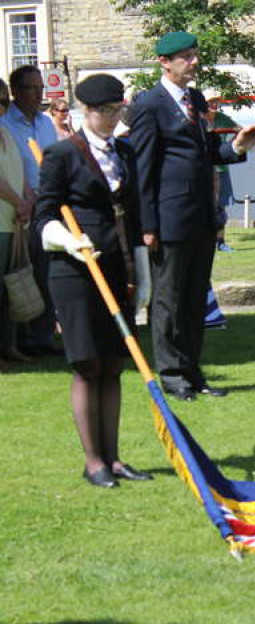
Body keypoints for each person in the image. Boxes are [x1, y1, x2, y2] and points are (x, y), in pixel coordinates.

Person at [34, 74, 153, 488]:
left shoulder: (125, 150)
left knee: (114, 364)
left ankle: (115, 459)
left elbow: (134, 213)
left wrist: (142, 267)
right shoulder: (60, 154)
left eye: (118, 110)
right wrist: (70, 241)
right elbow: (43, 217)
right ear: (86, 111)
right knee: (88, 365)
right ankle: (93, 462)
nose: (112, 118)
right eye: (105, 112)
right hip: (74, 272)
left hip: (116, 268)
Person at [130, 31, 255, 401]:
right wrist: (148, 225)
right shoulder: (149, 104)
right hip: (169, 220)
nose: (194, 63)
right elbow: (143, 169)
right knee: (169, 301)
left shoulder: (195, 99)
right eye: (186, 57)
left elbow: (206, 153)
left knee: (193, 300)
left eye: (194, 55)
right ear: (164, 62)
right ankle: (172, 376)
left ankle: (192, 371)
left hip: (201, 217)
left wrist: (235, 146)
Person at [1, 65, 59, 357]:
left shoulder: (46, 124)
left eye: (41, 88)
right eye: (32, 88)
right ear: (16, 92)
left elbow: (53, 162)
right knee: (20, 274)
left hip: (46, 206)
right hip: (18, 210)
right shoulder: (7, 124)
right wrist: (24, 201)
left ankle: (42, 336)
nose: (39, 94)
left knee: (48, 272)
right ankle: (19, 339)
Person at [0, 78, 32, 369]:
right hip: (3, 218)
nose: (1, 107)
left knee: (10, 288)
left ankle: (10, 346)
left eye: (3, 102)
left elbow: (19, 171)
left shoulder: (6, 133)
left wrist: (27, 200)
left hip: (12, 221)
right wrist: (18, 201)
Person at [205, 92, 238, 252]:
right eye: (211, 101)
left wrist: (230, 148)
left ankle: (221, 241)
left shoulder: (222, 119)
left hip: (222, 169)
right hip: (204, 170)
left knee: (221, 206)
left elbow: (239, 130)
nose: (214, 104)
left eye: (216, 101)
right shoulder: (198, 119)